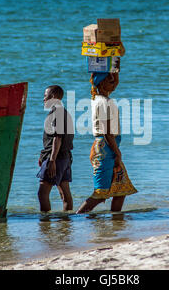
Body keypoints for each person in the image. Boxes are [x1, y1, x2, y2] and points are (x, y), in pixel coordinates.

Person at [76, 72, 137, 214]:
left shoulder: (102, 99)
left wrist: (116, 66)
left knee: (121, 188)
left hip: (109, 146)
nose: (114, 84)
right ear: (102, 83)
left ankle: (116, 221)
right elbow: (107, 132)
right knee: (100, 192)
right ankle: (78, 217)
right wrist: (117, 153)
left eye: (114, 81)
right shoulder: (103, 102)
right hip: (106, 148)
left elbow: (115, 81)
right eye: (110, 82)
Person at [37, 85, 74, 212]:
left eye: (45, 96)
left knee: (42, 193)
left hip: (56, 158)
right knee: (64, 193)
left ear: (52, 97)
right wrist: (43, 155)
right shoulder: (64, 112)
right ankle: (66, 223)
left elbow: (57, 138)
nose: (43, 99)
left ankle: (45, 224)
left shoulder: (57, 113)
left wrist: (51, 160)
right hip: (65, 158)